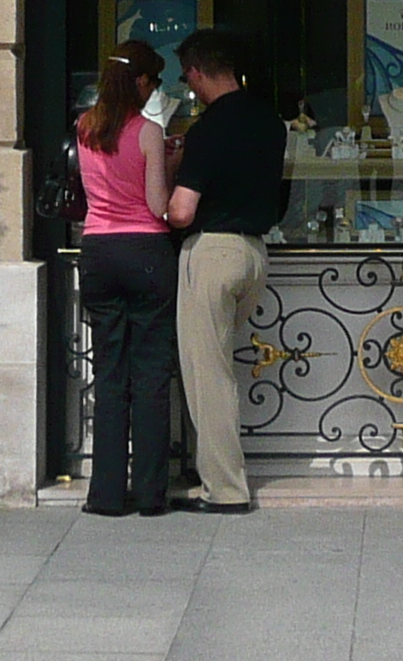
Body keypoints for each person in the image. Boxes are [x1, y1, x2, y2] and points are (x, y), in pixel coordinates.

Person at [165, 27, 286, 513]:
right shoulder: (271, 121)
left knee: (208, 376)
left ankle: (225, 490)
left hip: (212, 252)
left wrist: (172, 171)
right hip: (255, 254)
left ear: (196, 72)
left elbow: (182, 211)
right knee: (220, 368)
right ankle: (212, 472)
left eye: (187, 76)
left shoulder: (208, 128)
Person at [73, 41, 180, 517]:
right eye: (154, 80)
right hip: (145, 251)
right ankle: (152, 494)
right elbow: (158, 204)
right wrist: (174, 161)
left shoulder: (85, 127)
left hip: (98, 249)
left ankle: (106, 494)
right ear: (139, 82)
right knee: (152, 375)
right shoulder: (149, 132)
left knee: (110, 374)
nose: (155, 88)